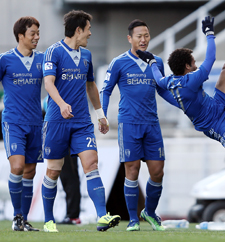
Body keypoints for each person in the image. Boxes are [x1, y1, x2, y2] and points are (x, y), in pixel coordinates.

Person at [137, 11, 225, 223]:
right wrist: (209, 33)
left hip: (218, 105)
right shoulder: (190, 81)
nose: (196, 64)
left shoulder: (170, 82)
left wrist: (151, 62)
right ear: (187, 68)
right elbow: (211, 57)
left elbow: (159, 82)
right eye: (193, 62)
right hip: (216, 123)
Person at [41, 10, 120, 232]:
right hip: (57, 120)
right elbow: (49, 83)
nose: (90, 33)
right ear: (78, 30)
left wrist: (100, 114)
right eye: (88, 29)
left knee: (91, 164)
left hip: (81, 122)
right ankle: (48, 221)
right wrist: (61, 104)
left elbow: (91, 86)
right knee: (54, 171)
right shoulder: (53, 52)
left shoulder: (86, 56)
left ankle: (102, 216)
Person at [101, 19, 180, 231]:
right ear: (130, 38)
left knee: (157, 171)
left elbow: (162, 89)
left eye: (146, 35)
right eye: (139, 36)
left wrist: (182, 105)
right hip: (129, 124)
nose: (143, 39)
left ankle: (150, 212)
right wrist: (102, 115)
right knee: (132, 171)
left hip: (151, 124)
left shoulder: (156, 61)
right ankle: (134, 219)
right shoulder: (119, 63)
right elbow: (106, 89)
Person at [1, 16, 43, 232]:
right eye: (32, 33)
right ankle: (17, 216)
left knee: (30, 171)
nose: (37, 37)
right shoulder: (4, 60)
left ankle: (23, 220)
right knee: (17, 167)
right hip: (13, 122)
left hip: (36, 123)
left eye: (38, 33)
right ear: (20, 36)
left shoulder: (43, 60)